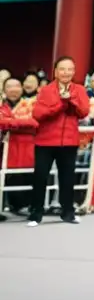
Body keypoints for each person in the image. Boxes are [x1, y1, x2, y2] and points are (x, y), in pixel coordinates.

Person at [28, 56, 90, 226]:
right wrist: (60, 105)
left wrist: (71, 101)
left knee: (68, 178)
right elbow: (38, 114)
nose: (66, 73)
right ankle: (36, 213)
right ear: (55, 71)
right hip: (45, 141)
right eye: (63, 69)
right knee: (40, 177)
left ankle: (68, 212)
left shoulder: (79, 89)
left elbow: (84, 112)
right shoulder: (46, 90)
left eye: (70, 69)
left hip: (69, 141)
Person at [0, 76, 37, 217]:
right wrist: (20, 122)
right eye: (9, 86)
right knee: (8, 176)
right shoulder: (2, 105)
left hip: (27, 146)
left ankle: (26, 205)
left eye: (17, 86)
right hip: (7, 148)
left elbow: (35, 122)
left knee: (27, 175)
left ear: (21, 88)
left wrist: (12, 123)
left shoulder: (31, 103)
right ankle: (9, 205)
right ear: (4, 90)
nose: (13, 89)